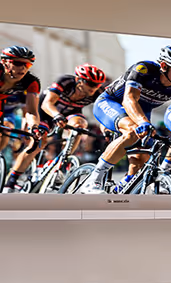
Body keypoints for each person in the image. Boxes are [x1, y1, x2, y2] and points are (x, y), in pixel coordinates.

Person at [81, 43, 171, 195]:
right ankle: (94, 180)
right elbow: (129, 99)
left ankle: (121, 190)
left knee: (141, 159)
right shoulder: (143, 70)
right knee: (132, 132)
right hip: (112, 103)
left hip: (141, 111)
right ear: (164, 65)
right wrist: (143, 122)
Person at [10, 64, 109, 185]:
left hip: (71, 113)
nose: (93, 88)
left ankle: (63, 161)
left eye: (97, 84)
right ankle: (11, 180)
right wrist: (56, 116)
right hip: (46, 111)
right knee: (38, 144)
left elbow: (104, 113)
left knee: (80, 125)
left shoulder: (97, 92)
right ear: (78, 80)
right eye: (90, 83)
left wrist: (107, 128)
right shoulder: (65, 81)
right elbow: (47, 104)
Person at [0, 45, 45, 194]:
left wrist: (34, 128)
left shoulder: (31, 82)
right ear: (5, 62)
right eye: (18, 63)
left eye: (28, 64)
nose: (23, 68)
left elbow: (31, 111)